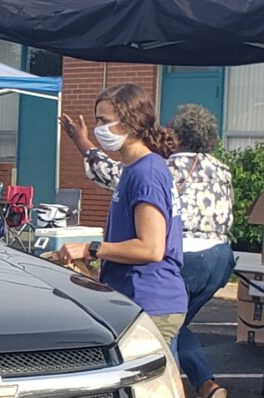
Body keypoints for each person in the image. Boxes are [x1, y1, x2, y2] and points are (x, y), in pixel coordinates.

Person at [64, 103, 234, 398]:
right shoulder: (221, 170)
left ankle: (188, 384)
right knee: (175, 324)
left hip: (184, 255)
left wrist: (82, 142)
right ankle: (204, 384)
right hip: (221, 256)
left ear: (177, 135)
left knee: (161, 327)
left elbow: (112, 175)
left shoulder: (158, 167)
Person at [57, 83, 188, 346]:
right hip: (139, 299)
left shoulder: (146, 173)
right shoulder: (134, 168)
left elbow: (151, 248)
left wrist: (92, 249)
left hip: (149, 301)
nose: (98, 128)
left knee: (146, 385)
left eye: (104, 121)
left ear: (129, 122)